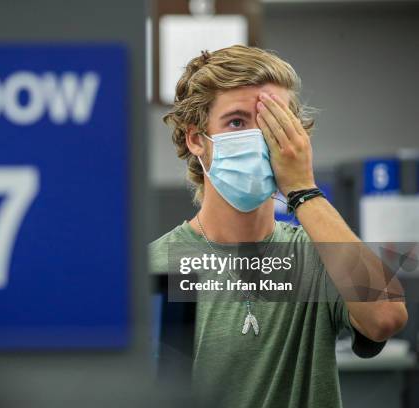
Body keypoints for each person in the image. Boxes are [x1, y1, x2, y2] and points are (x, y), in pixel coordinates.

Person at [150, 45, 408, 407]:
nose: (262, 142)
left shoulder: (319, 256)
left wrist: (303, 190)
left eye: (275, 124)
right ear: (196, 139)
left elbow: (386, 317)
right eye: (237, 122)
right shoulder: (158, 265)